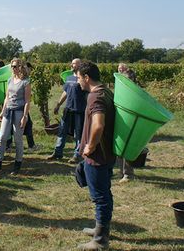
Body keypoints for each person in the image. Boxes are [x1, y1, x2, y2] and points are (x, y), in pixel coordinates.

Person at [77, 61, 116, 250]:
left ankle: (100, 241)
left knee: (100, 197)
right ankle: (99, 229)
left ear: (86, 77)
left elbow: (98, 124)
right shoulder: (106, 91)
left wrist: (90, 147)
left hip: (98, 156)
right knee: (104, 194)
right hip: (107, 153)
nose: (78, 82)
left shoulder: (95, 96)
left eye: (78, 78)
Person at [0, 58, 31, 174]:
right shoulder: (9, 80)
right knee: (3, 136)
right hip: (8, 111)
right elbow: (6, 98)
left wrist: (25, 116)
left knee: (18, 138)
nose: (14, 68)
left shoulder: (26, 82)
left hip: (19, 112)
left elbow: (27, 101)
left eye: (16, 66)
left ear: (21, 67)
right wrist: (2, 112)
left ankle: (18, 163)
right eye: (12, 66)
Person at [48, 58, 86, 163]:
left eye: (74, 64)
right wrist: (58, 104)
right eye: (72, 63)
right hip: (68, 109)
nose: (72, 65)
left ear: (80, 65)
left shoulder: (83, 79)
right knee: (62, 130)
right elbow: (65, 92)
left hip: (79, 110)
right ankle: (58, 152)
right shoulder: (69, 78)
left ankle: (77, 155)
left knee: (78, 133)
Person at [116, 63, 137, 182]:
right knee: (120, 148)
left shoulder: (135, 93)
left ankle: (128, 174)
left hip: (130, 123)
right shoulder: (122, 89)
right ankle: (121, 172)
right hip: (121, 122)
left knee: (128, 149)